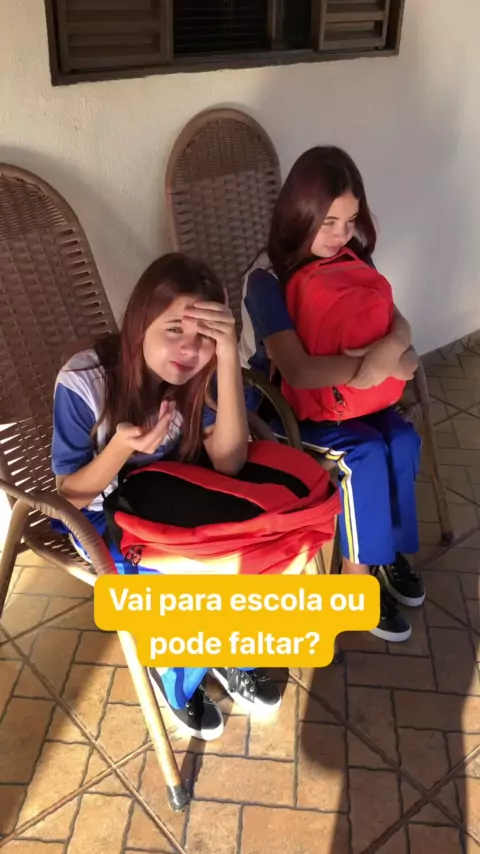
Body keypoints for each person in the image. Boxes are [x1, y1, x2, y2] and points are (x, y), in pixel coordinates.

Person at [51, 252, 281, 741]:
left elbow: (228, 462)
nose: (188, 349)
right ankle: (177, 676)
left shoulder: (202, 372)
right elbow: (69, 497)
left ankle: (226, 646)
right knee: (181, 577)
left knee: (242, 551)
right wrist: (120, 448)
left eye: (204, 336)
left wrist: (226, 358)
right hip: (102, 518)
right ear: (141, 322)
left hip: (174, 499)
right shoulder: (84, 381)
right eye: (174, 329)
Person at [239, 146, 425, 643]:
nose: (342, 234)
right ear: (299, 213)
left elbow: (399, 323)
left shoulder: (352, 256)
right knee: (362, 455)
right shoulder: (266, 279)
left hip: (356, 401)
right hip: (286, 411)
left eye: (351, 220)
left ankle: (386, 554)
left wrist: (393, 351)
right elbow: (297, 372)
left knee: (402, 441)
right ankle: (355, 584)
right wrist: (376, 367)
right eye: (328, 222)